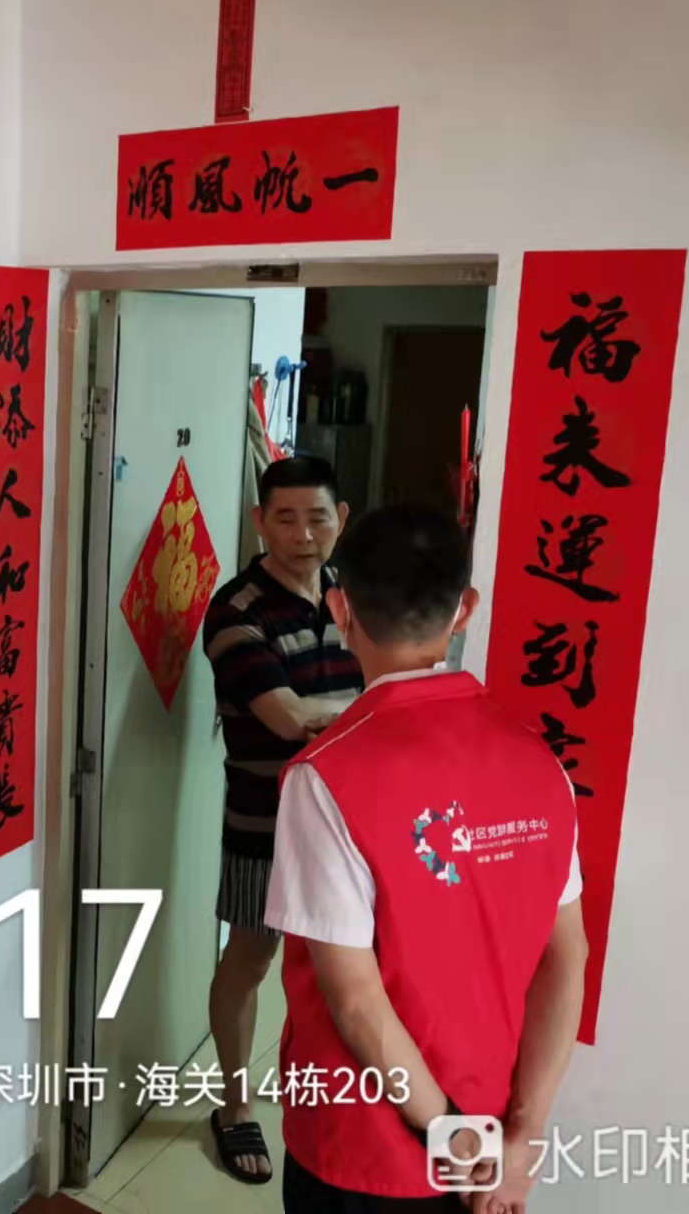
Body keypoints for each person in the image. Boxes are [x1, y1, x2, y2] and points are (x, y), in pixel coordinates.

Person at [265, 506, 588, 1213]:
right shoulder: (541, 764)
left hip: (366, 1149)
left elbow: (356, 1000)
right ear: (464, 608)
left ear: (339, 608)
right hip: (490, 1133)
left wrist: (454, 1139)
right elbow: (568, 954)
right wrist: (521, 1137)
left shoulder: (327, 777)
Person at [199, 454, 364, 1183]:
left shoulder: (353, 595)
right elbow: (289, 718)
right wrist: (376, 713)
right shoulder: (236, 610)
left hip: (356, 825)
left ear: (341, 520)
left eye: (317, 518)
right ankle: (234, 1107)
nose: (303, 534)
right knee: (251, 956)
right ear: (259, 521)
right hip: (264, 821)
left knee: (347, 967)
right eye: (286, 519)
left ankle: (337, 1100)